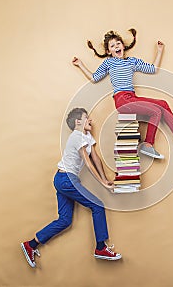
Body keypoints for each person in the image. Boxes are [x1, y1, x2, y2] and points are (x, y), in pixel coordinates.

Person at [72, 29, 173, 159]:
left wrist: (160, 51)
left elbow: (153, 69)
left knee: (163, 104)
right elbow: (94, 78)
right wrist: (80, 64)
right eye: (112, 46)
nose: (116, 46)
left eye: (118, 43)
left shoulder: (132, 61)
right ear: (108, 52)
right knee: (156, 111)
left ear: (123, 46)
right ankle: (148, 145)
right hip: (122, 99)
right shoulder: (108, 63)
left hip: (132, 97)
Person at [21, 108, 121, 268]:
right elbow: (87, 163)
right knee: (97, 205)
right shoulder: (76, 137)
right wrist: (102, 184)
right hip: (66, 179)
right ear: (78, 122)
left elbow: (95, 158)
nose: (90, 120)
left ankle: (31, 244)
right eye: (86, 117)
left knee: (65, 220)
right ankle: (101, 248)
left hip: (64, 179)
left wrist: (105, 179)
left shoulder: (87, 136)